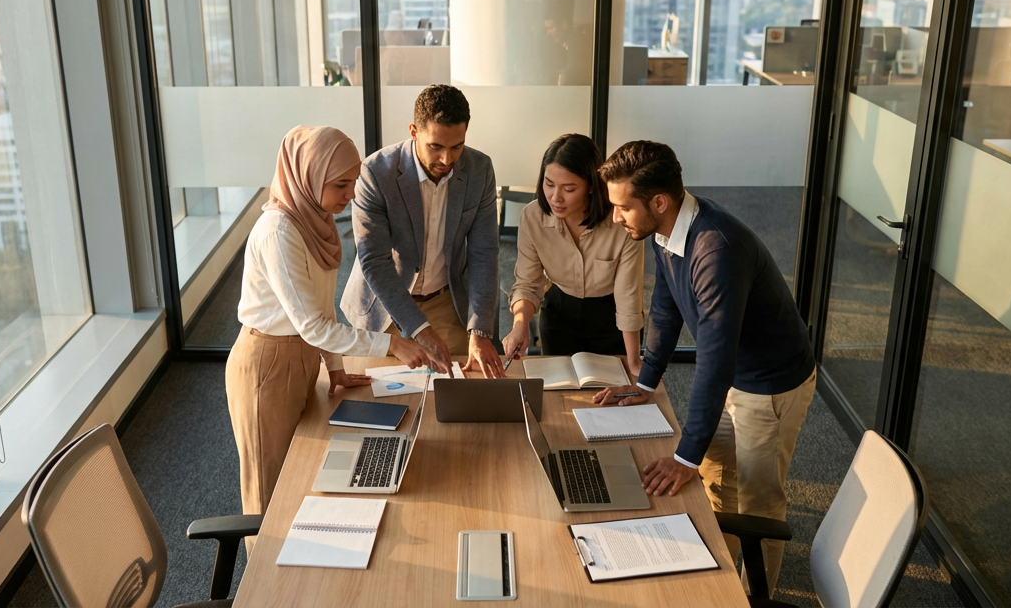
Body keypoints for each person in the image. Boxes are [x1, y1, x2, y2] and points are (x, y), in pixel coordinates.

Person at [592, 140, 817, 594]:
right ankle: (724, 579)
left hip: (768, 386)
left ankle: (756, 597)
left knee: (758, 504)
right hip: (736, 377)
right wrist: (646, 381)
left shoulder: (716, 249)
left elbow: (714, 360)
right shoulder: (665, 228)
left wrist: (683, 455)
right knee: (719, 483)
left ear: (659, 201)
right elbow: (666, 305)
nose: (615, 217)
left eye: (622, 207)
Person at [227, 125, 444, 535]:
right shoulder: (280, 231)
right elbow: (312, 324)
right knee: (267, 491)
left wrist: (335, 367)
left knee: (300, 474)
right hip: (267, 365)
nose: (350, 195)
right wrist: (392, 344)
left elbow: (317, 309)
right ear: (308, 177)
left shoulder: (315, 220)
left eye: (353, 182)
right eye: (341, 184)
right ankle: (262, 590)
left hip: (300, 355)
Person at [341, 84, 503, 377]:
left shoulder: (479, 169)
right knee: (381, 401)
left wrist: (480, 329)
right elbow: (374, 262)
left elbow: (484, 253)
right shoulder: (376, 173)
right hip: (384, 305)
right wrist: (419, 329)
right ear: (414, 131)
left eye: (457, 146)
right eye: (436, 146)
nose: (447, 159)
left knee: (459, 392)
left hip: (447, 299)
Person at [502, 134, 644, 374]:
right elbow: (528, 282)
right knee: (558, 395)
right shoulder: (532, 216)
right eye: (549, 184)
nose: (555, 197)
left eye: (568, 188)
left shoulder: (621, 220)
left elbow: (628, 298)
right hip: (559, 314)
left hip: (611, 319)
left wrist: (635, 362)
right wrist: (520, 325)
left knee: (611, 393)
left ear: (591, 186)